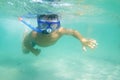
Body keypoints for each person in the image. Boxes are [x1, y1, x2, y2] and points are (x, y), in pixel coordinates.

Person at [19, 14, 97, 56]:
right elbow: (26, 42)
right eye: (44, 25)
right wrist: (32, 50)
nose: (48, 30)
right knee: (25, 52)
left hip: (39, 42)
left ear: (57, 25)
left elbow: (73, 32)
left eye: (53, 26)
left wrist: (82, 39)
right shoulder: (34, 34)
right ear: (39, 25)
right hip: (35, 42)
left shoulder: (59, 31)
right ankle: (25, 33)